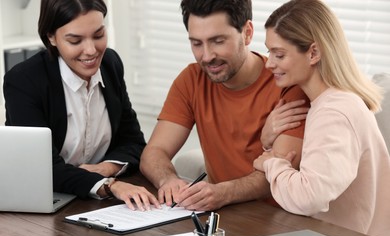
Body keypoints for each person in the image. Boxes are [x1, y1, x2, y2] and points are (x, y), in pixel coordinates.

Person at [140, 0, 310, 211]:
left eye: (218, 41)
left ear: (247, 33)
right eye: (196, 43)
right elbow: (154, 152)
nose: (207, 56)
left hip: (279, 219)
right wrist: (168, 179)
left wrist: (223, 192)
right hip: (223, 215)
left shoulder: (286, 83)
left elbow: (276, 176)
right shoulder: (192, 79)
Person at [3, 0, 160, 211]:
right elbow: (41, 169)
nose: (91, 50)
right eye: (75, 40)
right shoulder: (24, 80)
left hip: (96, 204)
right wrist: (109, 185)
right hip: (46, 204)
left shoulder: (110, 64)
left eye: (98, 35)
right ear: (51, 37)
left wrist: (105, 168)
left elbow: (134, 142)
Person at [253, 0, 390, 236]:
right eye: (269, 52)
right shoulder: (331, 103)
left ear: (313, 53)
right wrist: (268, 144)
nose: (269, 63)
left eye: (279, 54)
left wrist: (272, 164)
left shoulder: (335, 113)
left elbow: (309, 197)